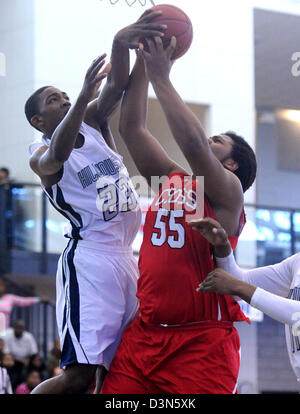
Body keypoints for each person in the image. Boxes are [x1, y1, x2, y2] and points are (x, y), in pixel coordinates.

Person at [101, 37, 257, 394]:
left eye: (217, 140)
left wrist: (162, 76)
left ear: (232, 164)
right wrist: (143, 59)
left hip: (200, 344)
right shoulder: (171, 178)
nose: (208, 139)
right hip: (145, 337)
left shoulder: (227, 192)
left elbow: (193, 144)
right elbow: (132, 129)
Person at [25, 12, 167, 394]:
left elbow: (117, 86)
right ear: (39, 120)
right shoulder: (40, 152)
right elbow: (57, 154)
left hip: (126, 258)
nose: (67, 101)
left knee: (119, 368)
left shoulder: (93, 121)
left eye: (67, 96)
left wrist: (126, 45)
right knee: (80, 374)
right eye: (55, 100)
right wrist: (82, 100)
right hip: (90, 259)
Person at [190, 216, 300, 386]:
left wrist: (239, 287)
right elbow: (241, 284)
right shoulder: (297, 262)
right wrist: (223, 248)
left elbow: (297, 315)